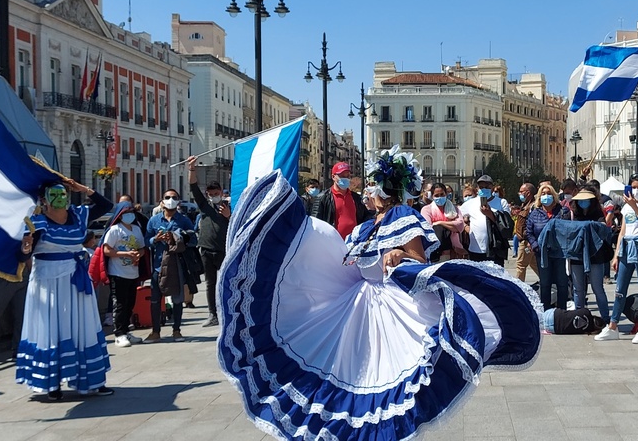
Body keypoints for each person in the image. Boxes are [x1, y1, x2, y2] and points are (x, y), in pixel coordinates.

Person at [217, 144, 541, 439]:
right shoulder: (365, 225)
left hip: (388, 307)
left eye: (371, 185)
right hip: (356, 304)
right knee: (346, 374)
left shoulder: (403, 216)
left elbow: (418, 259)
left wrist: (399, 254)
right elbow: (348, 261)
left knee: (378, 379)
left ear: (385, 189)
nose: (366, 190)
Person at [16, 180, 114, 400]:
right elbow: (23, 255)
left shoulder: (79, 215)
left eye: (64, 193)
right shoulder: (37, 222)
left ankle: (93, 381)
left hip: (76, 279)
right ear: (44, 199)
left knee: (84, 328)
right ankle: (52, 384)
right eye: (55, 194)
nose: (61, 198)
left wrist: (84, 189)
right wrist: (25, 248)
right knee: (52, 329)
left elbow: (106, 205)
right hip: (48, 283)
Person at [595, 173, 638, 343]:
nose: (636, 191)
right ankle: (613, 325)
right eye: (634, 187)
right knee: (619, 290)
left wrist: (635, 206)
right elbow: (622, 231)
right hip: (627, 245)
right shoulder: (626, 207)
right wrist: (616, 255)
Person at [144, 189, 195, 343]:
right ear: (162, 201)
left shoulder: (183, 220)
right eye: (167, 197)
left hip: (176, 264)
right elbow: (147, 241)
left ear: (178, 201)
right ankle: (155, 331)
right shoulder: (154, 220)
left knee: (177, 298)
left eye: (174, 197)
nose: (170, 200)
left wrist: (177, 237)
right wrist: (156, 239)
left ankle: (177, 330)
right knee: (155, 298)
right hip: (159, 265)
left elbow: (192, 240)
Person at [187, 156, 230, 328]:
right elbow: (193, 187)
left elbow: (238, 226)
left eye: (216, 194)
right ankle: (213, 314)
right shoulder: (204, 207)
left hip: (224, 250)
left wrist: (229, 216)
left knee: (227, 281)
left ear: (222, 192)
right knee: (210, 283)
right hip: (206, 250)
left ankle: (228, 312)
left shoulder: (230, 207)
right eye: (211, 194)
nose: (214, 196)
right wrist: (192, 168)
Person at [102, 203, 146, 348]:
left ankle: (126, 330)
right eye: (126, 212)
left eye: (132, 212)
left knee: (130, 303)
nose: (130, 215)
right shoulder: (114, 230)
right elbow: (107, 250)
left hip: (132, 272)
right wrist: (126, 254)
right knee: (119, 304)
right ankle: (119, 334)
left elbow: (142, 248)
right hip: (118, 272)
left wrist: (137, 256)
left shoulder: (136, 229)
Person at [569, 187, 612, 322]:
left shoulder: (598, 213)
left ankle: (605, 318)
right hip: (577, 255)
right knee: (578, 289)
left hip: (595, 255)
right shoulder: (573, 214)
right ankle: (579, 317)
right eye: (581, 200)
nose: (583, 203)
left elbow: (603, 228)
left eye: (586, 200)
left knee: (597, 287)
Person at [526, 185, 569, 310]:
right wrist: (535, 246)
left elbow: (567, 229)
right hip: (542, 253)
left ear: (554, 195)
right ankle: (546, 312)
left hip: (559, 253)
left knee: (562, 283)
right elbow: (529, 232)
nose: (546, 196)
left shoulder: (562, 211)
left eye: (548, 193)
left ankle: (562, 311)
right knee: (545, 284)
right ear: (539, 197)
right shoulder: (534, 213)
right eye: (543, 193)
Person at [310, 162, 370, 239]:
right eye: (342, 176)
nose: (345, 178)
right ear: (333, 177)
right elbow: (315, 223)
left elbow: (365, 217)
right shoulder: (322, 198)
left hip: (353, 243)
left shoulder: (356, 198)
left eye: (348, 176)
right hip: (332, 243)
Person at [461, 175, 507, 266]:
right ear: (477, 189)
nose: (484, 189)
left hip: (495, 248)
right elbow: (458, 217)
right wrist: (466, 226)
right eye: (481, 187)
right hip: (475, 248)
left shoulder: (501, 202)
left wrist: (490, 214)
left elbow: (507, 224)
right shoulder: (470, 203)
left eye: (487, 187)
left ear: (492, 188)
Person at [420, 183, 465, 262]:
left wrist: (440, 223)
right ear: (432, 196)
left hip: (454, 251)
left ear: (446, 194)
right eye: (436, 195)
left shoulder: (454, 209)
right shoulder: (426, 210)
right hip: (436, 253)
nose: (439, 197)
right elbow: (428, 228)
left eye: (442, 194)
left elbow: (460, 226)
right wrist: (451, 226)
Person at [514, 183, 539, 282]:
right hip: (525, 240)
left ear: (528, 193)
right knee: (534, 264)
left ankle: (518, 287)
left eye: (521, 191)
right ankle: (550, 282)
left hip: (526, 241)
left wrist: (530, 240)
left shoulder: (533, 206)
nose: (519, 194)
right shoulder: (525, 205)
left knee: (521, 265)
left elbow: (531, 225)